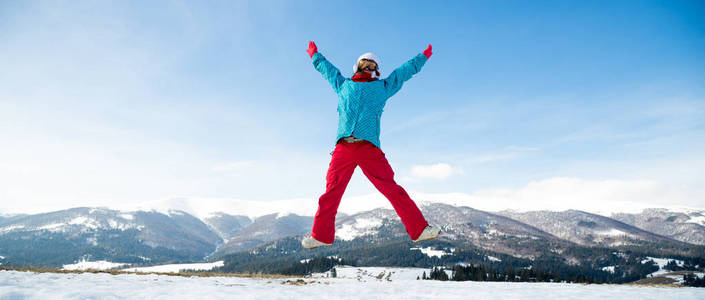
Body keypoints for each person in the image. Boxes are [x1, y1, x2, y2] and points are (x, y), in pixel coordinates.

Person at [302, 41, 441, 249]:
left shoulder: (382, 87)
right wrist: (315, 55)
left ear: (376, 70)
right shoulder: (343, 85)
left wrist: (422, 57)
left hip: (369, 148)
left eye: (373, 66)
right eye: (365, 64)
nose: (369, 68)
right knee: (331, 192)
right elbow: (327, 70)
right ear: (358, 66)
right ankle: (321, 235)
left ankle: (419, 230)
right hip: (343, 148)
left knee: (392, 189)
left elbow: (402, 73)